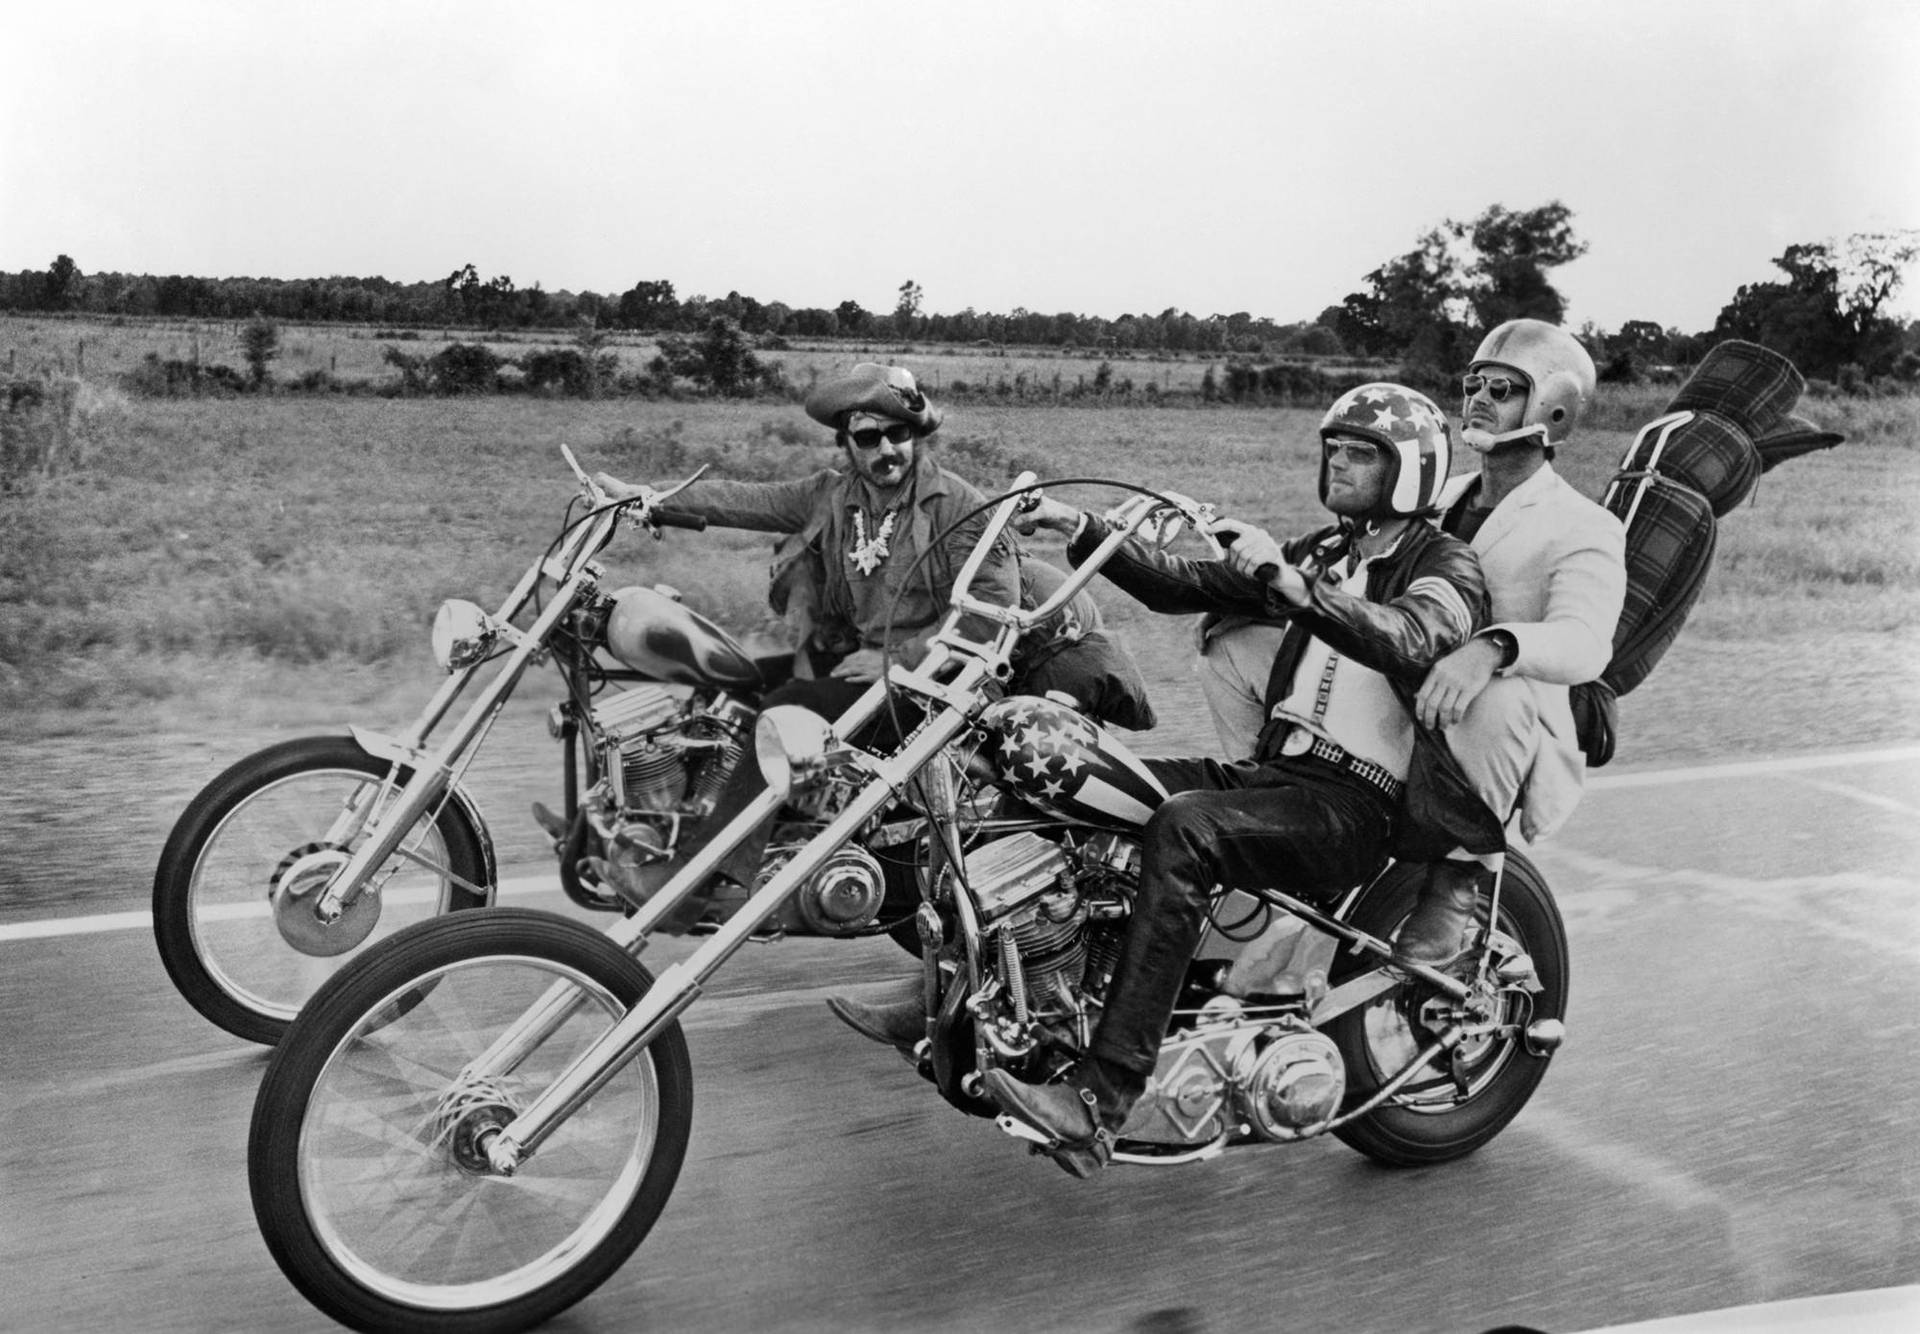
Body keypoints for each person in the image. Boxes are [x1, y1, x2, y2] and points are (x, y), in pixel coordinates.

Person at [830, 382, 1489, 1177]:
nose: (1340, 466)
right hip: (1279, 772)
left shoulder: (1443, 564)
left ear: (1410, 471)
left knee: (1185, 827)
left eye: (1361, 455)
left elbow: (1416, 637)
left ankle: (1099, 1104)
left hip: (1356, 806)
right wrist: (1085, 529)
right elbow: (1185, 586)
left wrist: (1289, 586)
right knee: (1057, 782)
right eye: (1335, 451)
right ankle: (959, 996)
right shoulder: (1325, 553)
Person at [592, 362, 1150, 909]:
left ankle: (703, 872)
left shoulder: (960, 508)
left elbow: (991, 616)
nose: (887, 450)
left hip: (943, 686)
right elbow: (748, 500)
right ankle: (753, 831)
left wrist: (898, 658)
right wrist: (651, 499)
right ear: (847, 444)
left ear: (917, 436)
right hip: (871, 666)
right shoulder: (835, 496)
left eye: (899, 435)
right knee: (736, 683)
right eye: (869, 437)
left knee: (789, 709)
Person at [1394, 319, 1627, 965]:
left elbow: (1585, 643)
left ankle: (1460, 878)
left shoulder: (1584, 524)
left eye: (1503, 389)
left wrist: (1490, 648)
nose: (1479, 399)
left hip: (1510, 722)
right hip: (1411, 692)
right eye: (1474, 384)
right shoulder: (1432, 499)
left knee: (1499, 694)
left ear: (1552, 406)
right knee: (1245, 643)